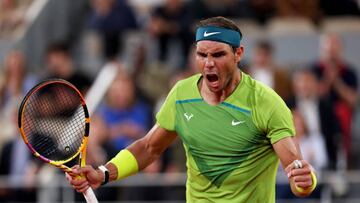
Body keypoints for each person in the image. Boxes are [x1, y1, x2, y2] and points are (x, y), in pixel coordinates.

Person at [67, 16, 317, 202]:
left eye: (218, 55)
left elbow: (295, 168)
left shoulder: (266, 102)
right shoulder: (182, 93)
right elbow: (149, 147)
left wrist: (306, 181)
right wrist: (103, 173)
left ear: (238, 53)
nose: (208, 63)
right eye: (202, 55)